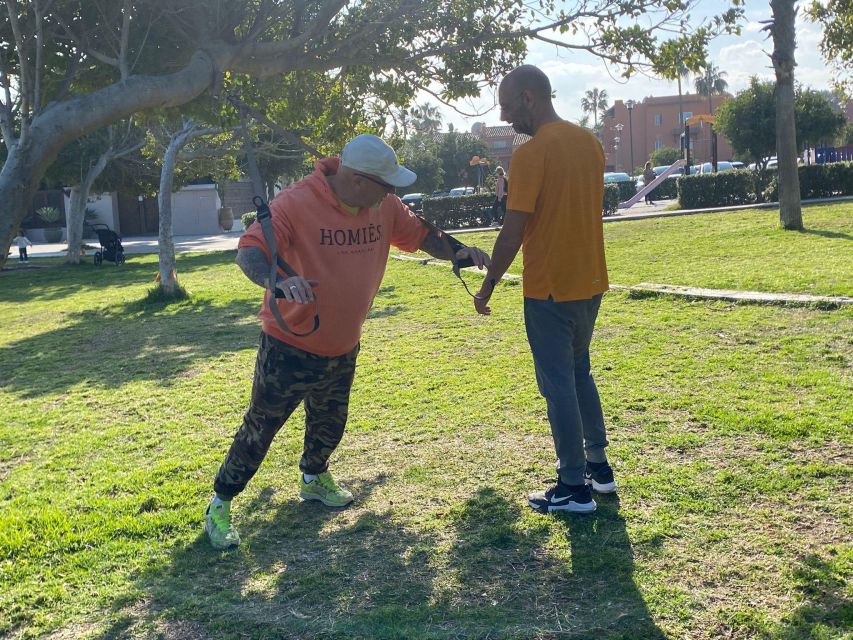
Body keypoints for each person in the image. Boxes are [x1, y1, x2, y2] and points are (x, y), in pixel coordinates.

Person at [205, 133, 490, 550]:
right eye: (385, 185)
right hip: (289, 346)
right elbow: (250, 252)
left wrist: (460, 252)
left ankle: (313, 477)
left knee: (329, 423)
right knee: (260, 428)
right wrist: (281, 282)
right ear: (357, 180)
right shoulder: (296, 203)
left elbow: (420, 235)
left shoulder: (383, 204)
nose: (393, 193)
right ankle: (221, 504)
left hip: (342, 344)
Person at [473, 65, 615, 514]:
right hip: (590, 283)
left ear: (529, 98)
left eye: (508, 104)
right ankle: (599, 468)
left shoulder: (531, 154)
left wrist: (488, 284)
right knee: (579, 374)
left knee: (559, 387)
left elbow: (512, 232)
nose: (506, 114)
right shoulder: (589, 144)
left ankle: (574, 487)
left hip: (550, 289)